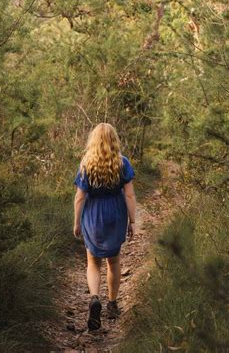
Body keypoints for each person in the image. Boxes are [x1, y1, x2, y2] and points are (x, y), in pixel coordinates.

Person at [73, 122, 137, 331]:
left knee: (93, 260)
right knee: (114, 260)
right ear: (114, 140)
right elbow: (129, 194)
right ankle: (112, 303)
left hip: (93, 215)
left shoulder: (86, 164)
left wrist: (76, 222)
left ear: (94, 141)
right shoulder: (122, 163)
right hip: (115, 214)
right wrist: (132, 220)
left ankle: (94, 298)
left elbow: (80, 197)